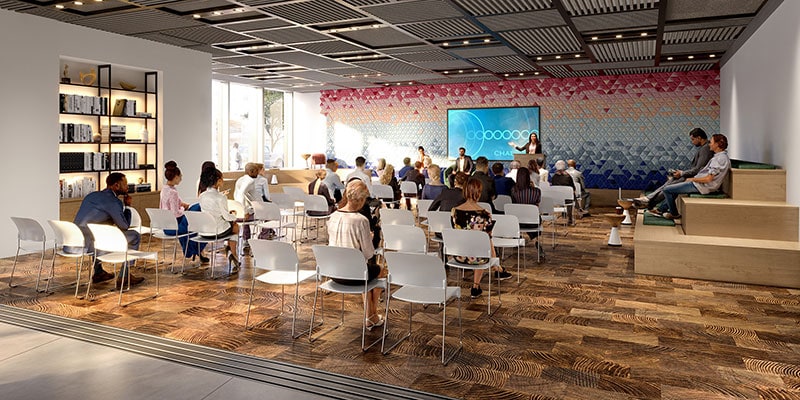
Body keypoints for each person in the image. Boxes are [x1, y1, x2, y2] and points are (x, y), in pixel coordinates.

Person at [327, 179, 384, 329]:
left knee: (365, 271)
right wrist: (370, 238)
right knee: (379, 270)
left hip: (334, 272)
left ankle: (371, 316)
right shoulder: (361, 220)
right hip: (354, 275)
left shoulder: (333, 216)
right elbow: (369, 254)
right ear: (361, 200)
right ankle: (371, 315)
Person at [72, 172, 143, 287]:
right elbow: (124, 226)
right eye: (125, 184)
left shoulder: (92, 195)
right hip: (91, 244)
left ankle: (98, 272)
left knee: (97, 232)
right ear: (116, 186)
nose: (127, 186)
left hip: (75, 240)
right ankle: (124, 276)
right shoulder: (114, 202)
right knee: (134, 236)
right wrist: (127, 206)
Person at [451, 177, 512, 298]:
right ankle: (476, 285)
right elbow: (487, 238)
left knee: (481, 244)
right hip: (477, 258)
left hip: (459, 255)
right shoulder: (485, 214)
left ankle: (498, 268)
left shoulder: (454, 211)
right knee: (485, 244)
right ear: (478, 193)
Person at [650, 134, 730, 220]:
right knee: (675, 188)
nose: (709, 144)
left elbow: (708, 179)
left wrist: (692, 179)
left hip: (701, 186)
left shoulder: (718, 159)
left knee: (667, 190)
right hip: (701, 184)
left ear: (717, 144)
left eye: (711, 142)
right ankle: (661, 209)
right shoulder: (722, 157)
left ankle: (674, 214)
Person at [635, 128, 712, 208]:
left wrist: (682, 173)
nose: (692, 142)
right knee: (671, 181)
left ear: (699, 138)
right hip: (694, 176)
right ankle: (649, 199)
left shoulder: (705, 149)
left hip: (697, 178)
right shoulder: (704, 148)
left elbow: (698, 169)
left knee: (668, 187)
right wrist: (681, 173)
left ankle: (649, 202)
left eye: (693, 139)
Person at [160, 161, 207, 263]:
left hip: (166, 225)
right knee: (197, 214)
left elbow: (175, 203)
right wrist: (184, 210)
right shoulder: (173, 192)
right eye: (180, 176)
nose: (181, 178)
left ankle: (193, 251)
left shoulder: (165, 189)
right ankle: (195, 250)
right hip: (173, 226)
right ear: (176, 177)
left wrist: (184, 205)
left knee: (194, 216)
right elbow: (175, 213)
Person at [198, 167, 240, 270]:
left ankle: (228, 247)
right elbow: (226, 217)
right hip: (217, 231)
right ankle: (233, 254)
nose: (223, 180)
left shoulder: (202, 196)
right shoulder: (221, 197)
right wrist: (234, 216)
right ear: (217, 181)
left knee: (229, 225)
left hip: (204, 231)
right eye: (222, 178)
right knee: (235, 227)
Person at [550, 160, 576, 225]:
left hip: (556, 199)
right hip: (567, 199)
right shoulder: (568, 177)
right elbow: (573, 188)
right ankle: (570, 218)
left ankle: (562, 214)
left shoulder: (553, 177)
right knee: (570, 197)